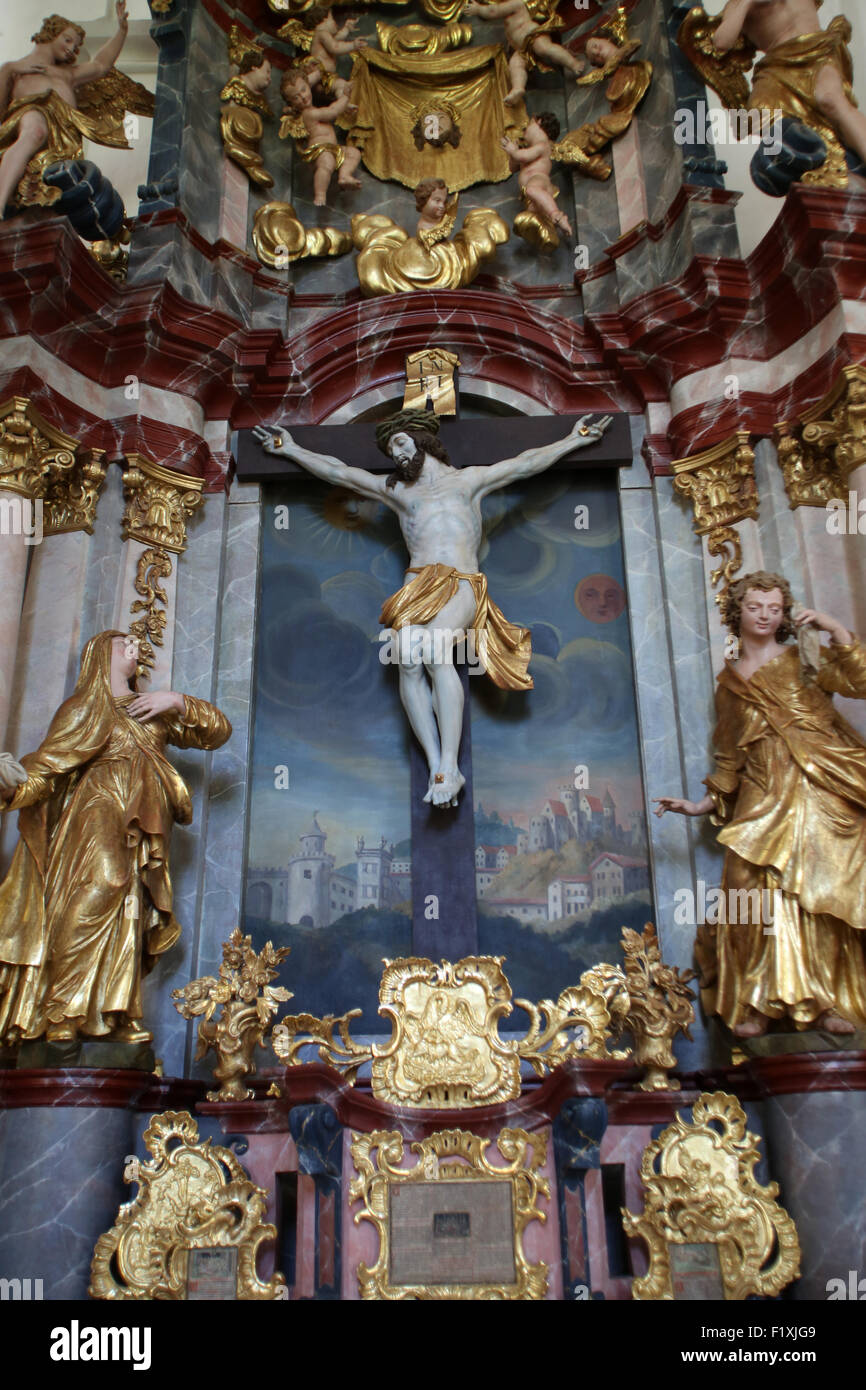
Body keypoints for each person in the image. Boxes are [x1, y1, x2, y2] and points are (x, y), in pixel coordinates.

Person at [253, 409, 610, 807]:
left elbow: (524, 465)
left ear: (423, 441)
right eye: (391, 451)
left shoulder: (468, 482)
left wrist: (574, 440)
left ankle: (448, 764)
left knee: (439, 653)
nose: (398, 455)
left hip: (460, 580)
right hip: (416, 581)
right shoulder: (401, 494)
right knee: (407, 660)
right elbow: (341, 474)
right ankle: (437, 764)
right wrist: (291, 450)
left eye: (402, 444)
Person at [655, 572, 866, 1038]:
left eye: (774, 607)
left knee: (816, 891)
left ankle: (828, 1000)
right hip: (760, 789)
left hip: (818, 785)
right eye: (755, 607)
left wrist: (834, 627)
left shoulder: (805, 658)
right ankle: (755, 999)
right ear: (737, 613)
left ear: (785, 612)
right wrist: (700, 804)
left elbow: (859, 682)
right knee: (748, 889)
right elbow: (728, 755)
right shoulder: (729, 685)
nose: (766, 615)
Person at [0, 632, 231, 1046]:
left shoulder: (152, 709)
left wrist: (175, 700)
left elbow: (217, 732)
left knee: (132, 907)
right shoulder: (83, 709)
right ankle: (62, 1009)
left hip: (145, 822)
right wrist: (12, 788)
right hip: (97, 812)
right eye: (123, 643)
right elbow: (46, 771)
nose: (133, 647)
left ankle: (114, 1010)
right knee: (99, 888)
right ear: (99, 655)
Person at [0, 4, 131, 218]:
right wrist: (8, 71)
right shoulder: (15, 68)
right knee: (35, 132)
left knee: (56, 188)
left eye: (75, 46)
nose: (71, 49)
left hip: (64, 135)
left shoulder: (68, 74)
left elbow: (100, 65)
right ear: (50, 33)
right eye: (67, 39)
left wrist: (122, 31)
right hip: (32, 111)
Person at [713, 0, 866, 168]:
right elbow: (721, 42)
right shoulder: (737, 5)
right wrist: (748, 3)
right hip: (779, 66)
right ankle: (816, 156)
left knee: (830, 99)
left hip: (819, 51)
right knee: (757, 115)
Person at [463, 0, 584, 107]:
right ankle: (518, 88)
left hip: (533, 35)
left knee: (544, 48)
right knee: (515, 64)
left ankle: (573, 63)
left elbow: (493, 11)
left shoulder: (515, 3)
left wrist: (478, 9)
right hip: (521, 49)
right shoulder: (507, 13)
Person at [280, 67, 362, 205]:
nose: (303, 97)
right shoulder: (309, 114)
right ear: (291, 103)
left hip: (333, 149)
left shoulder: (314, 110)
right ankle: (320, 195)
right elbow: (331, 111)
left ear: (309, 86)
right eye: (296, 97)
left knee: (353, 153)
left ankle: (344, 176)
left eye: (303, 90)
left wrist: (345, 107)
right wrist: (346, 96)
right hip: (321, 150)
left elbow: (331, 110)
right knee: (326, 164)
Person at [501, 112, 572, 237]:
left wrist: (514, 151)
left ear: (538, 122)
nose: (524, 132)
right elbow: (513, 168)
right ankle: (550, 232)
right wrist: (512, 155)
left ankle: (557, 215)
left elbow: (522, 156)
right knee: (534, 218)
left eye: (528, 125)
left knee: (532, 189)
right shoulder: (528, 150)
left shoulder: (542, 145)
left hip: (538, 181)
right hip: (529, 197)